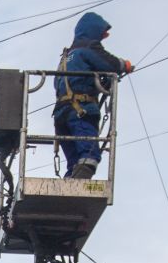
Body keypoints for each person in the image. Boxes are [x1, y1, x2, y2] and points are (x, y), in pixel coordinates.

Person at [53, 12, 133, 179]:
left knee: (74, 162)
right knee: (89, 157)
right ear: (93, 31)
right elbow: (109, 63)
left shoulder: (65, 58)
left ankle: (69, 187)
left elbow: (61, 84)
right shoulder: (88, 48)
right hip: (80, 112)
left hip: (61, 116)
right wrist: (124, 65)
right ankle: (77, 189)